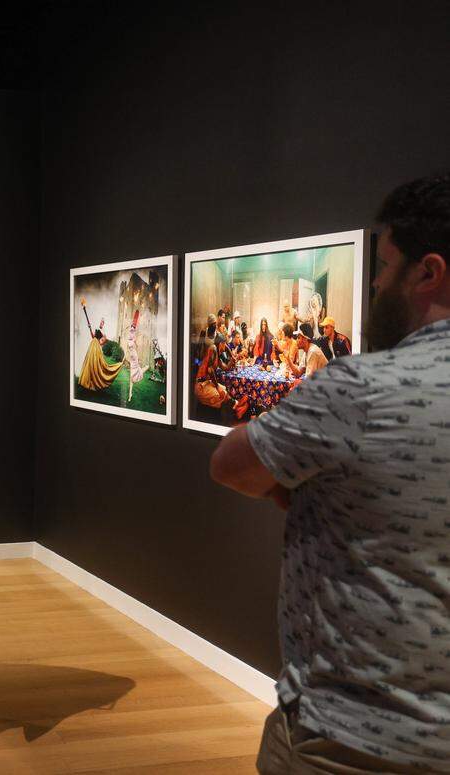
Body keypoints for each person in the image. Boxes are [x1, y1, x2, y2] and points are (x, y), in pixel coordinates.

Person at [209, 172, 450, 773]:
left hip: (354, 733)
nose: (376, 281)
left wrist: (292, 481)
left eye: (386, 264)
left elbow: (233, 465)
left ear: (428, 273)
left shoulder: (360, 390)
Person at [194, 333, 231, 409]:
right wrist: (217, 387)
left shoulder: (217, 353)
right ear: (221, 344)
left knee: (225, 391)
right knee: (221, 395)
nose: (226, 346)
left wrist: (232, 359)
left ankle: (236, 407)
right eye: (225, 344)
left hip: (206, 383)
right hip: (201, 385)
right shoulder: (213, 348)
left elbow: (226, 368)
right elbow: (210, 370)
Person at [125, 310, 144, 401]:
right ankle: (130, 395)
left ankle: (130, 395)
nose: (132, 330)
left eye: (133, 329)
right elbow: (130, 348)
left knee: (132, 378)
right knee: (131, 380)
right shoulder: (130, 340)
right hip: (132, 358)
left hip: (134, 358)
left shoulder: (132, 340)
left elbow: (135, 345)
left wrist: (136, 344)